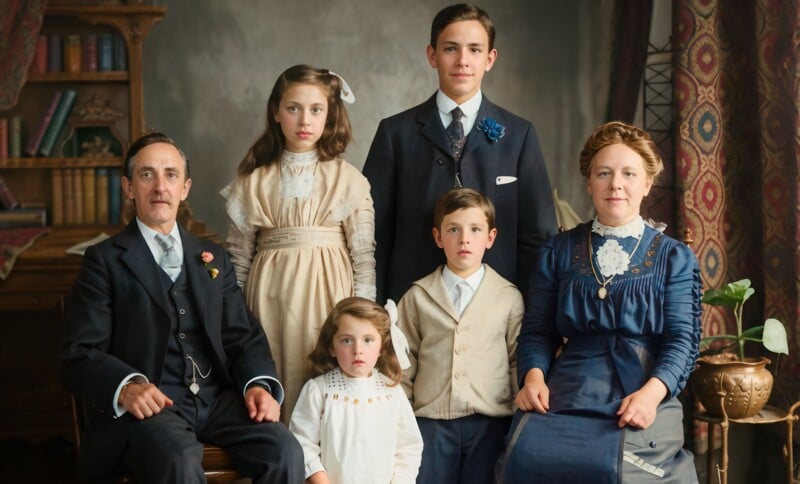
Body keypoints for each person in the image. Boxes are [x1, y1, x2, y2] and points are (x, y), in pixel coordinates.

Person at [60, 132, 304, 483]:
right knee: (180, 459)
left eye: (170, 174)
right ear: (129, 188)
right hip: (151, 407)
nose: (160, 186)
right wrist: (128, 387)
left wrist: (257, 386)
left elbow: (242, 335)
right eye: (147, 175)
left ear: (184, 188)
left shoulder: (212, 257)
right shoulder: (104, 261)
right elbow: (78, 354)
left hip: (216, 400)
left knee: (284, 449)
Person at [497, 121, 701, 483]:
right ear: (589, 182)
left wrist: (650, 397)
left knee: (623, 471)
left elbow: (682, 342)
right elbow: (538, 330)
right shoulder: (558, 251)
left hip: (642, 386)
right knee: (526, 458)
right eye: (603, 173)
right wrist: (533, 378)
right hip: (569, 386)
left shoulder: (673, 257)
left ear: (647, 183)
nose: (615, 184)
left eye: (628, 173)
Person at [363, 3, 557, 304]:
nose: (463, 60)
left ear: (490, 59)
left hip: (497, 307)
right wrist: (375, 311)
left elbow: (538, 236)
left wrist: (535, 317)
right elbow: (373, 234)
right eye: (451, 49)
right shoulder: (395, 133)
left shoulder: (520, 135)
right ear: (432, 55)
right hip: (411, 304)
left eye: (475, 50)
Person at [221, 64, 375, 423]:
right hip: (269, 300)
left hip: (329, 296)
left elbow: (363, 258)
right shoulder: (253, 181)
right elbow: (239, 263)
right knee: (274, 385)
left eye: (316, 109)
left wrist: (363, 322)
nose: (304, 119)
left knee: (322, 389)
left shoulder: (348, 180)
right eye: (293, 108)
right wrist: (237, 326)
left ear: (329, 115)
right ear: (276, 112)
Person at [396, 187, 523, 484]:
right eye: (453, 229)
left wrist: (518, 420)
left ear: (490, 238)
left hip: (490, 422)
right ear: (439, 237)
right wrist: (400, 418)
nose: (464, 239)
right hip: (430, 422)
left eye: (475, 229)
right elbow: (401, 363)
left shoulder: (508, 297)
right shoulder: (417, 296)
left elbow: (518, 361)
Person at [289, 297, 423, 484]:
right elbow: (302, 442)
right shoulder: (319, 390)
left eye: (368, 340)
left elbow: (409, 447)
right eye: (346, 341)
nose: (357, 350)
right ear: (331, 347)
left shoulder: (391, 391)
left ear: (382, 347)